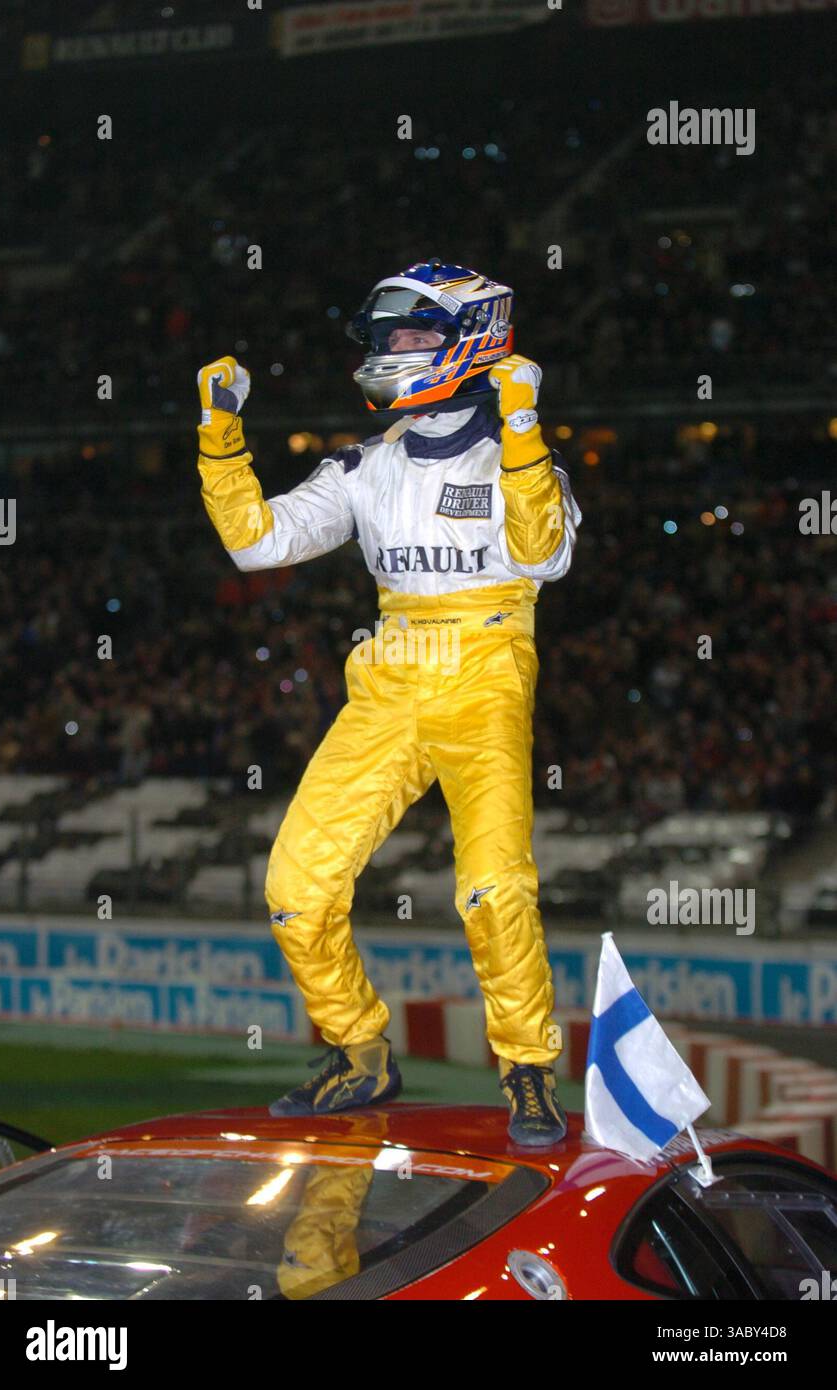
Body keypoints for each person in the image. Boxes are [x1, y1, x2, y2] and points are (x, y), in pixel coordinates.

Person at [197, 259, 582, 1146]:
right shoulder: (362, 466)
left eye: (408, 336)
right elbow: (258, 545)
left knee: (491, 888)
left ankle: (526, 1069)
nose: (388, 351)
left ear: (468, 341)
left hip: (487, 668)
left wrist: (522, 427)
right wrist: (221, 436)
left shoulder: (518, 455)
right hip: (390, 670)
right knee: (295, 886)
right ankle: (357, 1052)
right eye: (383, 338)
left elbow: (543, 556)